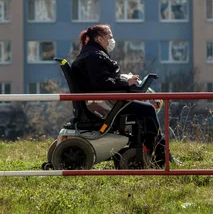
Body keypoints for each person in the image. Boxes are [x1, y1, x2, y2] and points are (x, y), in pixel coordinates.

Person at [70, 24, 177, 166]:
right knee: (148, 110)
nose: (112, 40)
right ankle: (161, 157)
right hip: (103, 105)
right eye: (110, 37)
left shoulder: (91, 54)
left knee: (144, 108)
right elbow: (101, 83)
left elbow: (103, 80)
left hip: (103, 102)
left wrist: (125, 79)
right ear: (99, 38)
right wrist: (126, 84)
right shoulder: (94, 56)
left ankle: (157, 152)